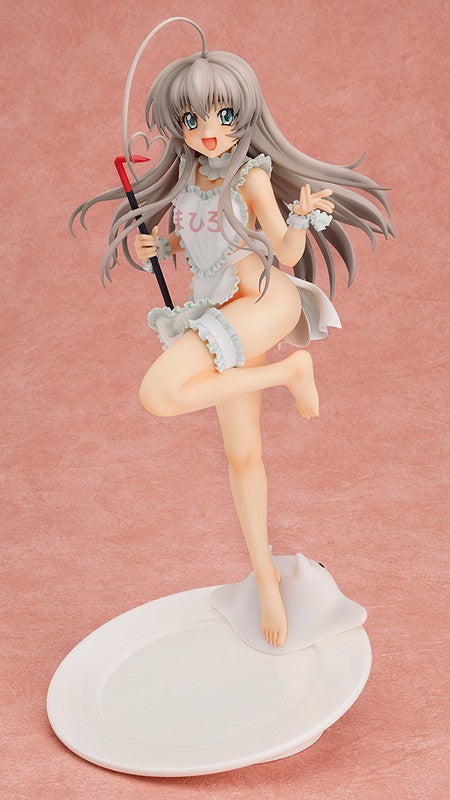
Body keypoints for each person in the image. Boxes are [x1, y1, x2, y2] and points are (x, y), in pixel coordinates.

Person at [71, 18, 393, 648]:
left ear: (244, 114)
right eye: (191, 119)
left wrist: (300, 218)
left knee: (159, 394)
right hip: (219, 312)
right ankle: (265, 579)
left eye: (221, 115)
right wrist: (157, 245)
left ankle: (289, 371)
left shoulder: (250, 176)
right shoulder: (191, 178)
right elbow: (193, 240)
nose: (207, 130)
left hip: (264, 302)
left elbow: (284, 250)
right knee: (242, 455)